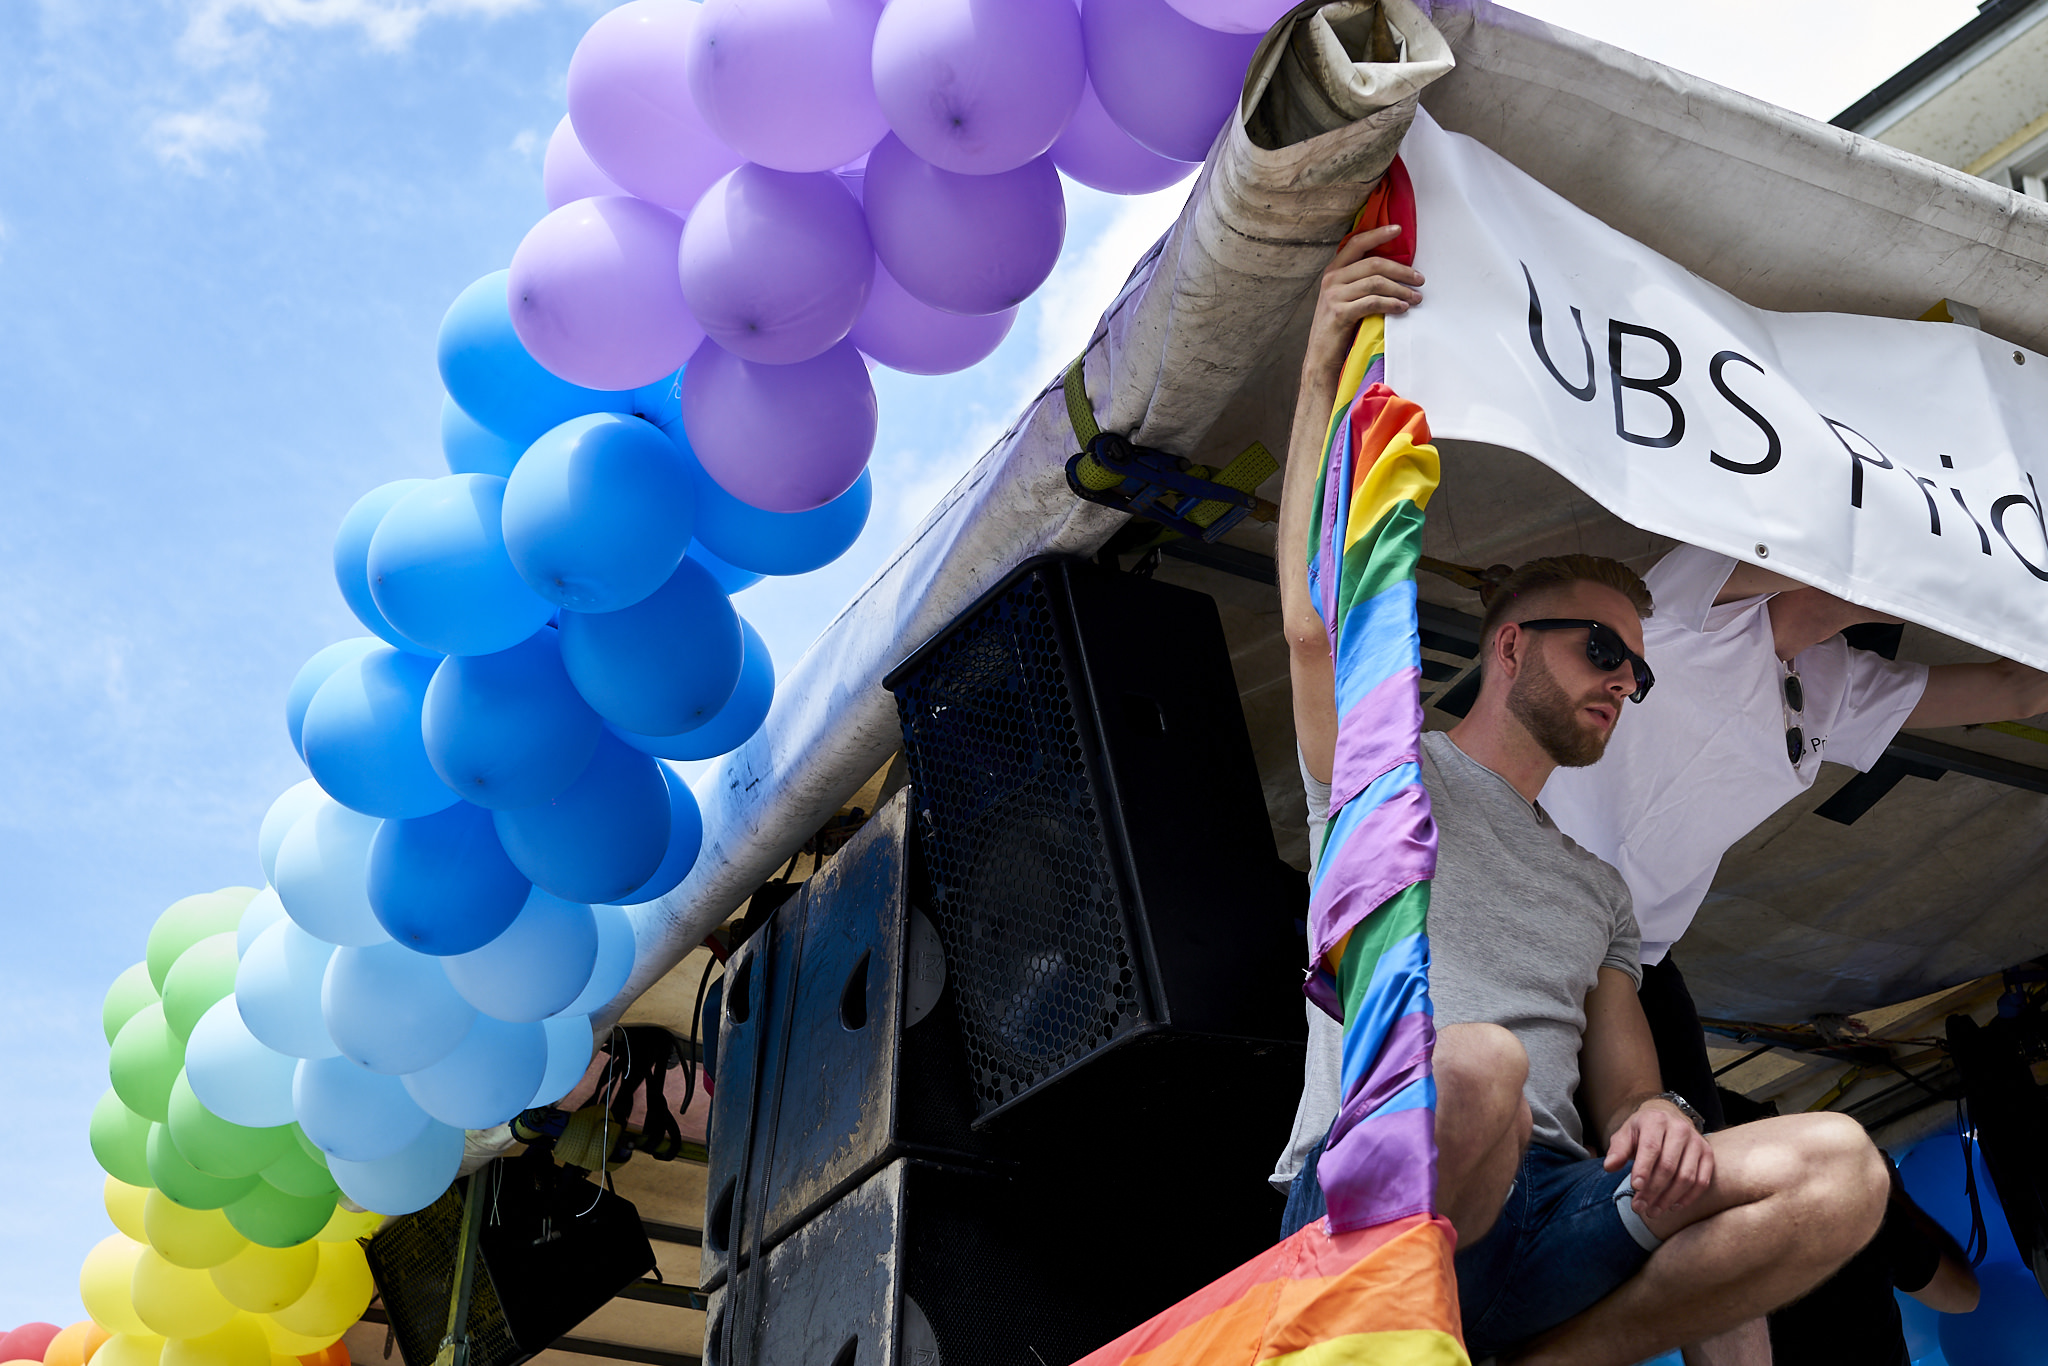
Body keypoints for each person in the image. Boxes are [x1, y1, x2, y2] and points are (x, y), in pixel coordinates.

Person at [1273, 224, 1891, 1366]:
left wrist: (1656, 1119)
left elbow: (1626, 1095)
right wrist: (1322, 362)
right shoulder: (1388, 771)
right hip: (1370, 1197)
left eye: (1637, 669)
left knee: (1837, 1167)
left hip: (1549, 1217)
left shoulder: (1597, 889)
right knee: (1480, 1068)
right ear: (1508, 646)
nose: (1623, 680)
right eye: (1601, 649)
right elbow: (1314, 625)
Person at [1766, 1153, 1979, 1364]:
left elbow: (1964, 1294)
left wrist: (1895, 1196)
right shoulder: (1860, 1220)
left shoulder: (1863, 1220)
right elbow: (1963, 1295)